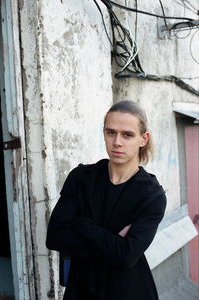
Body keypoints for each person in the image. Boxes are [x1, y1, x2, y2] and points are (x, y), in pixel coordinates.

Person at [46, 100, 167, 300]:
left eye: (127, 135)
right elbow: (55, 237)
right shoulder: (81, 178)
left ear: (143, 139)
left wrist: (81, 223)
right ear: (104, 133)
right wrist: (113, 243)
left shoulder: (151, 195)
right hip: (81, 288)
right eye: (111, 132)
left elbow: (126, 257)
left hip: (127, 290)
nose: (117, 142)